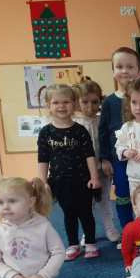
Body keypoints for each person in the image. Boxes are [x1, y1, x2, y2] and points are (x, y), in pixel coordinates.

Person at [37, 84, 101, 260]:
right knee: (69, 213)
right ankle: (73, 244)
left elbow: (89, 155)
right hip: (59, 181)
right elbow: (43, 159)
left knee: (86, 213)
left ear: (74, 103)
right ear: (48, 105)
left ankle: (90, 242)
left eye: (66, 102)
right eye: (56, 102)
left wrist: (94, 177)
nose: (61, 106)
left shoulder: (80, 130)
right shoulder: (46, 132)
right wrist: (43, 181)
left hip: (82, 180)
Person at [99, 47, 140, 231]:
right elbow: (103, 132)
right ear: (113, 71)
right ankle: (128, 230)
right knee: (123, 193)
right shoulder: (109, 102)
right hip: (120, 160)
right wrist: (105, 159)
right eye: (119, 66)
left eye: (130, 67)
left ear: (139, 71)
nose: (125, 71)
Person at [73, 79, 120, 244]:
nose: (90, 106)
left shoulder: (101, 120)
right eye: (85, 102)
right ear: (77, 102)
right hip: (83, 171)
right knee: (87, 203)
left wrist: (105, 161)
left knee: (104, 200)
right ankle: (88, 232)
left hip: (102, 168)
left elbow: (107, 144)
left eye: (95, 102)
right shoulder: (74, 123)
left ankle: (110, 228)